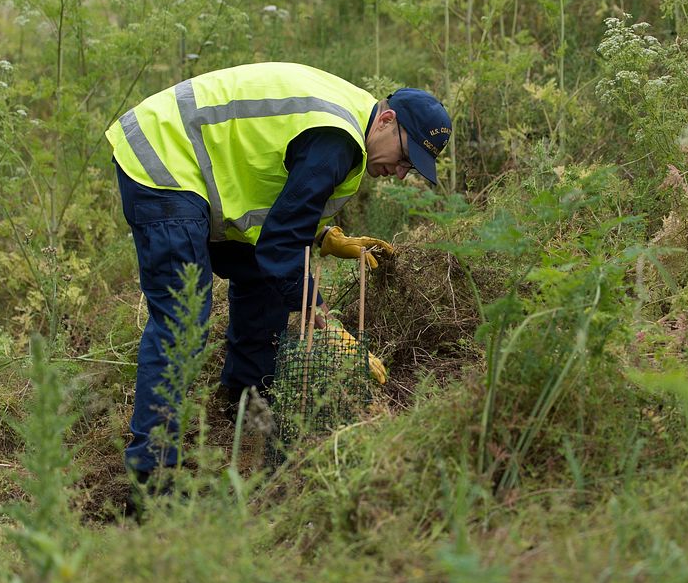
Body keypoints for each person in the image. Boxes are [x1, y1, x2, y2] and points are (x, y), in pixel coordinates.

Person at [107, 62, 452, 479]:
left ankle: (244, 398)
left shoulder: (351, 125)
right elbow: (281, 244)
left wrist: (323, 236)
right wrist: (325, 322)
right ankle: (152, 474)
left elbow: (281, 204)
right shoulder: (338, 139)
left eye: (411, 168)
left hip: (188, 165)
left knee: (263, 276)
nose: (399, 172)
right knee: (183, 318)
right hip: (163, 153)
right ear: (387, 120)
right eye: (404, 156)